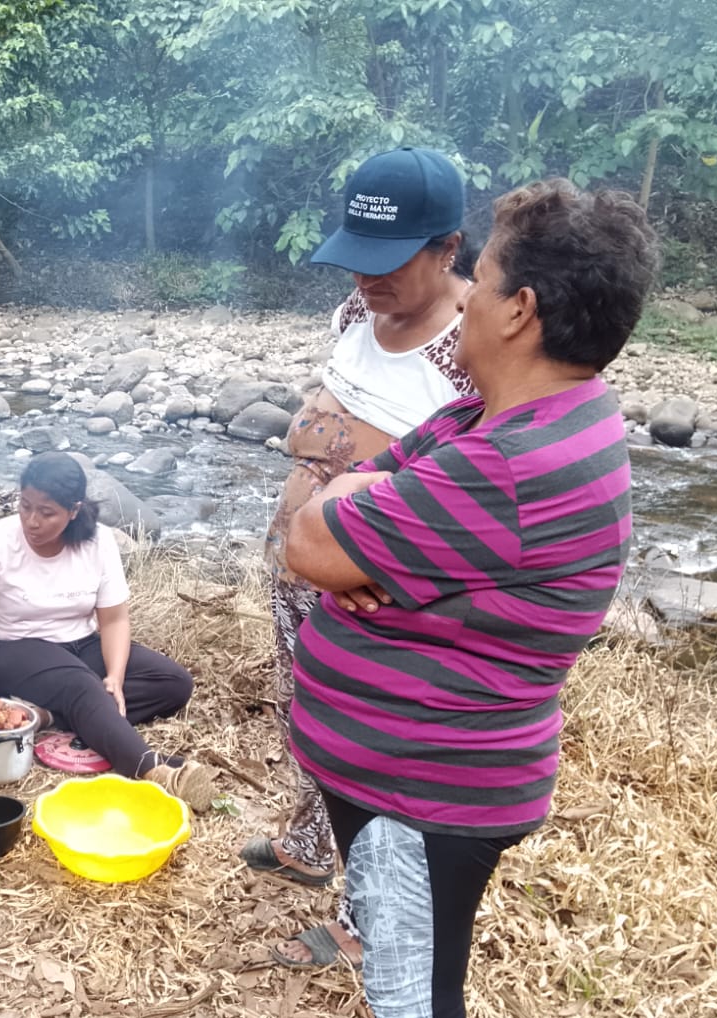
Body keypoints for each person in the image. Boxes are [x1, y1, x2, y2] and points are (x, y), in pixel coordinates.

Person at [281, 180, 656, 1018]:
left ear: (520, 310)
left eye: (480, 279)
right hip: (429, 769)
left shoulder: (509, 466)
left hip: (424, 787)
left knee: (422, 1005)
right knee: (410, 961)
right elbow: (367, 485)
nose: (467, 297)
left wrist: (347, 527)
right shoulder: (527, 417)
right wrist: (360, 517)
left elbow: (310, 536)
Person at [241, 147, 475, 972]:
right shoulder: (353, 311)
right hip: (299, 561)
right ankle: (310, 842)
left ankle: (363, 919)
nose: (367, 278)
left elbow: (473, 486)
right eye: (357, 257)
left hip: (376, 588)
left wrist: (397, 571)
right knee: (300, 708)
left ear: (448, 249)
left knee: (371, 746)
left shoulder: (473, 345)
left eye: (390, 262)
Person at [0, 453, 217, 807]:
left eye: (46, 512)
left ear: (74, 510)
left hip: (80, 645)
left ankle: (48, 716)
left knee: (173, 683)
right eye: (25, 506)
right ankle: (153, 769)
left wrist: (114, 676)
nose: (31, 521)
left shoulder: (98, 541)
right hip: (12, 651)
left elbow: (114, 619)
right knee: (82, 685)